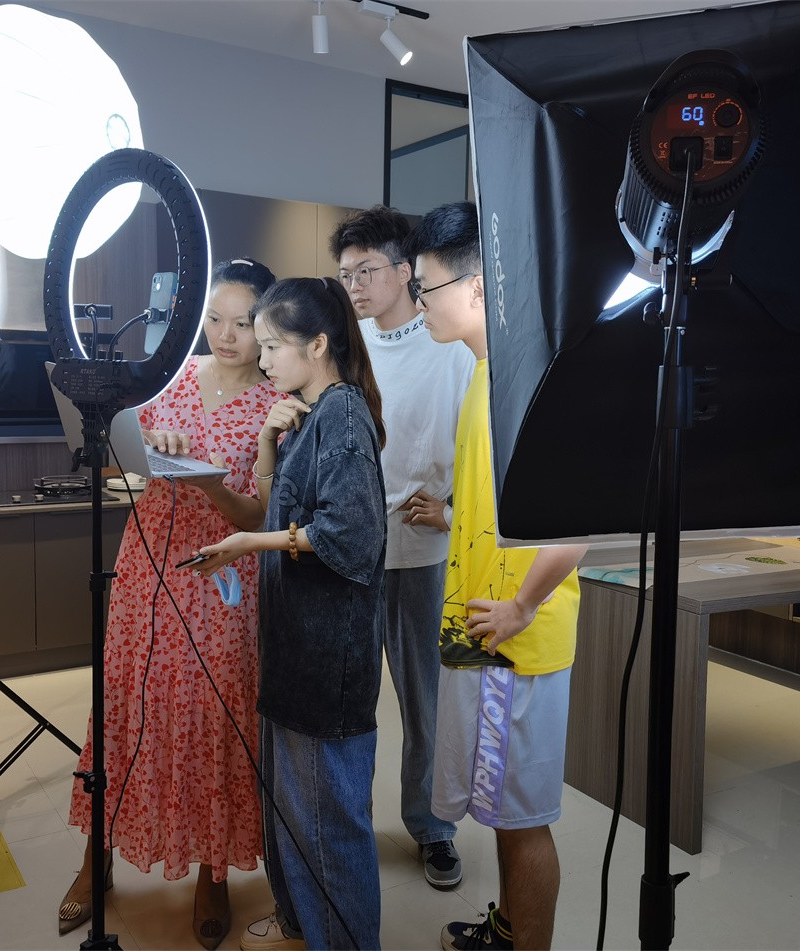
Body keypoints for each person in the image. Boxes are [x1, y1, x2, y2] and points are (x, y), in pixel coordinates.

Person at [59, 258, 280, 950]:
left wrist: (210, 483)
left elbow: (262, 513)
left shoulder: (278, 402)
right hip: (148, 562)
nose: (225, 335)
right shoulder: (168, 378)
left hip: (222, 574)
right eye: (214, 319)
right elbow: (112, 455)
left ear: (268, 326)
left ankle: (213, 870)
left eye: (242, 323)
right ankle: (95, 857)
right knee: (126, 704)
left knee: (214, 714)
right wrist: (144, 442)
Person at [405, 201, 588, 951]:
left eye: (426, 286)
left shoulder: (527, 379)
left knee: (522, 820)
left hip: (512, 638)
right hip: (482, 628)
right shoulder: (485, 373)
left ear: (477, 286)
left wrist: (520, 605)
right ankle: (508, 930)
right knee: (503, 814)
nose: (419, 301)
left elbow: (578, 522)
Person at [192, 276, 388, 951]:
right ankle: (302, 922)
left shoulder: (343, 413)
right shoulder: (309, 410)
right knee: (296, 815)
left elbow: (350, 537)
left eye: (274, 345)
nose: (263, 358)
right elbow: (281, 505)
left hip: (326, 655)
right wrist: (268, 445)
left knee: (328, 825)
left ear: (319, 344)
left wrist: (248, 544)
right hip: (293, 646)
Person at [329, 205, 476, 889]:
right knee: (349, 702)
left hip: (422, 553)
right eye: (346, 274)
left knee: (427, 703)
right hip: (351, 553)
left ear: (404, 269)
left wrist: (452, 510)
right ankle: (345, 829)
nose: (355, 285)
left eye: (366, 270)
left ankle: (433, 827)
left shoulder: (449, 341)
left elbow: (481, 444)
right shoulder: (344, 344)